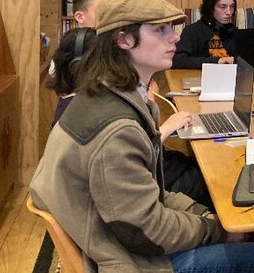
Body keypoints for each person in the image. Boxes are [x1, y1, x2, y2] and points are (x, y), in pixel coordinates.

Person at [30, 0, 254, 273]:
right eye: (160, 30)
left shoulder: (107, 94)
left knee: (243, 227)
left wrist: (201, 214)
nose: (175, 37)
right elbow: (146, 231)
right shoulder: (116, 129)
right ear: (123, 40)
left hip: (117, 240)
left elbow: (149, 195)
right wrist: (215, 229)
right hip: (133, 264)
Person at [46, 25, 212, 207]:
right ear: (83, 65)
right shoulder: (92, 116)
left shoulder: (87, 102)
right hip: (155, 185)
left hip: (158, 177)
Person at [173, 0, 238, 69]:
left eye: (232, 7)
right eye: (223, 7)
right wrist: (217, 61)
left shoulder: (233, 31)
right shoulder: (192, 31)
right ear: (210, 8)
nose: (229, 12)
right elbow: (178, 61)